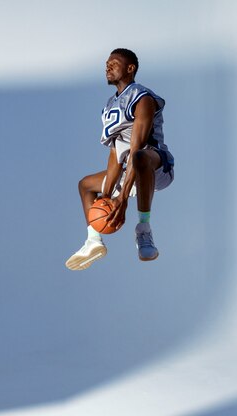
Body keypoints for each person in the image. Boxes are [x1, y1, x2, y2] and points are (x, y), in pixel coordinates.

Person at [66, 48, 175, 271]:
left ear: (130, 68)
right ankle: (93, 241)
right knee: (86, 185)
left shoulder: (142, 98)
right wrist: (106, 199)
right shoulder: (108, 106)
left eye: (114, 63)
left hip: (156, 166)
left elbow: (137, 147)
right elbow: (116, 154)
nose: (107, 66)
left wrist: (123, 199)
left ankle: (144, 230)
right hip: (130, 170)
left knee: (139, 155)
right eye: (106, 63)